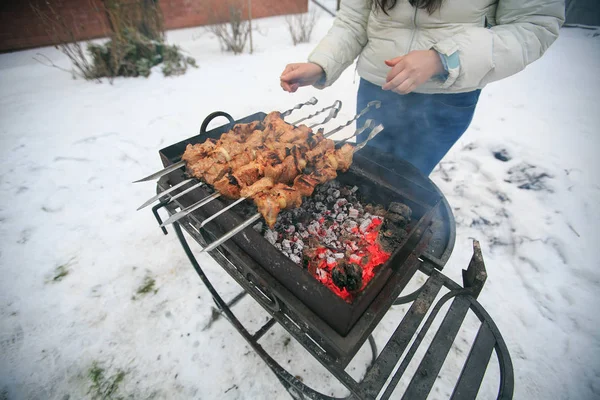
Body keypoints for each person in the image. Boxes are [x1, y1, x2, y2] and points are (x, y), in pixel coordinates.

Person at [280, 0, 565, 175]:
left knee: (408, 182)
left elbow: (533, 25)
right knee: (366, 169)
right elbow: (355, 20)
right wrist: (321, 64)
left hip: (447, 96)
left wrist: (443, 57)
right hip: (378, 89)